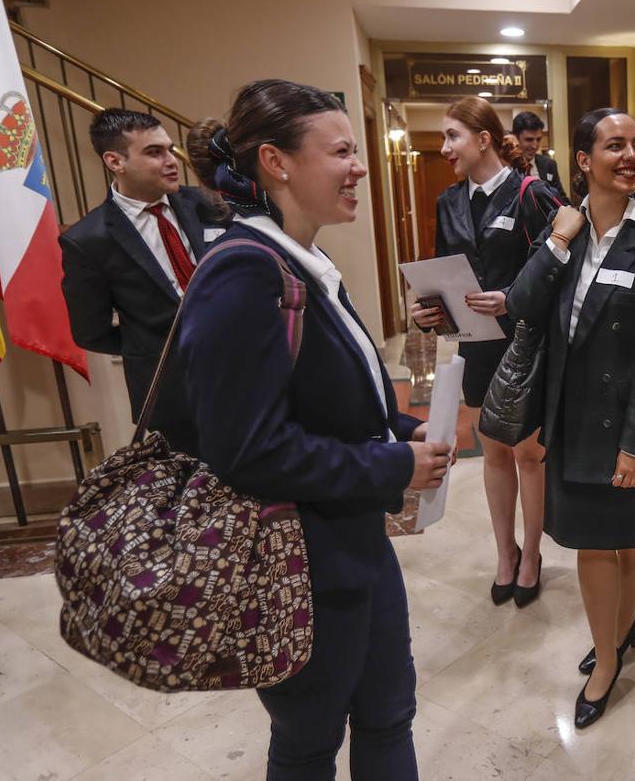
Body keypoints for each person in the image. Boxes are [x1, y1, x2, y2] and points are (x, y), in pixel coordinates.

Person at [179, 80, 450, 780]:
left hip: (353, 546)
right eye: (340, 152)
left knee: (389, 712)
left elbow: (339, 396)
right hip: (294, 565)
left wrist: (405, 429)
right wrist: (393, 467)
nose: (358, 167)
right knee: (310, 740)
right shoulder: (242, 272)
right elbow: (248, 450)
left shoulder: (306, 262)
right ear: (277, 162)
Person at [505, 107, 635, 728]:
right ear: (583, 161)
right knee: (592, 546)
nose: (632, 155)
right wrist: (557, 237)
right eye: (615, 145)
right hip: (574, 421)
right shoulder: (566, 230)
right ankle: (608, 656)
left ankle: (616, 636)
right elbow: (522, 305)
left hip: (632, 425)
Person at [411, 96, 559, 608]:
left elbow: (559, 268)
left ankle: (534, 553)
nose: (444, 147)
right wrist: (427, 309)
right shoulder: (449, 201)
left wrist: (512, 298)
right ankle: (506, 553)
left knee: (528, 454)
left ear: (483, 139)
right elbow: (442, 270)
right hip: (474, 346)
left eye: (452, 136)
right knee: (494, 451)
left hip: (523, 346)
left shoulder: (532, 194)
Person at [59, 108, 225, 453]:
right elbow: (90, 330)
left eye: (169, 149)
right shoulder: (88, 239)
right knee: (198, 498)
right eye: (154, 152)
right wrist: (150, 345)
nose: (171, 160)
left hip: (246, 374)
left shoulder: (207, 204)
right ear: (115, 161)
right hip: (175, 397)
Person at [512, 110, 565, 199]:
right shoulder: (508, 167)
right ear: (516, 138)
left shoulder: (549, 164)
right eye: (529, 140)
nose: (535, 145)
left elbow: (561, 198)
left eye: (538, 139)